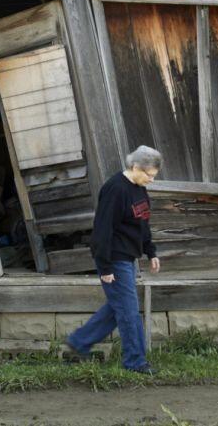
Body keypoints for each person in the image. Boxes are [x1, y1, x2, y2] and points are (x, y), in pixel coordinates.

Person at [66, 145, 162, 374]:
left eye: (154, 176)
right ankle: (135, 362)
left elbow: (142, 223)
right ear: (136, 166)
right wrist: (105, 266)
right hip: (114, 258)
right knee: (129, 312)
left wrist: (151, 251)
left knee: (117, 307)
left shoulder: (139, 189)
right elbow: (102, 230)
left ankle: (79, 341)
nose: (151, 180)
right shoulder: (115, 189)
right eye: (149, 175)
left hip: (128, 257)